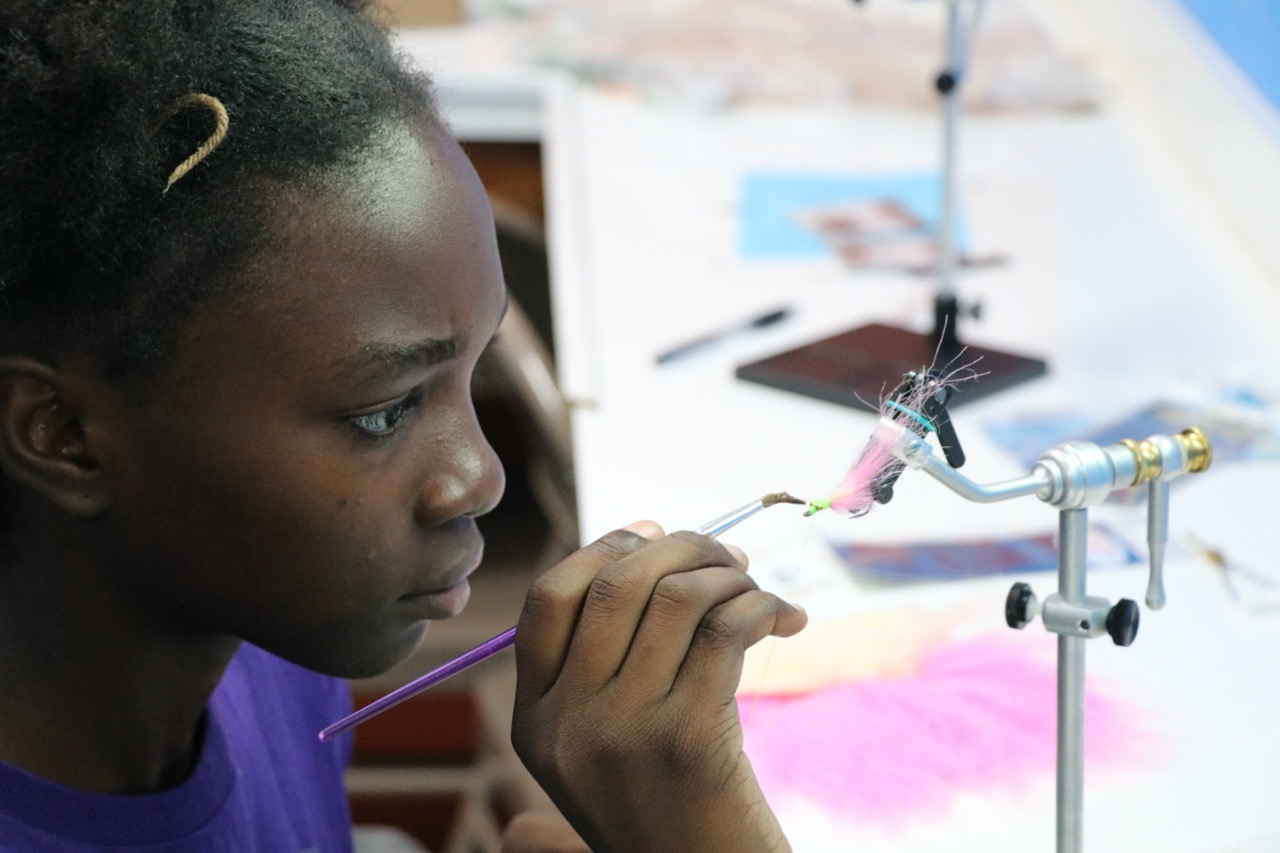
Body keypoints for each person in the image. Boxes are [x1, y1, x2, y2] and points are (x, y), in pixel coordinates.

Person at [0, 1, 807, 850]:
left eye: (475, 369)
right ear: (62, 432)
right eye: (384, 410)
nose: (480, 476)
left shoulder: (261, 638)